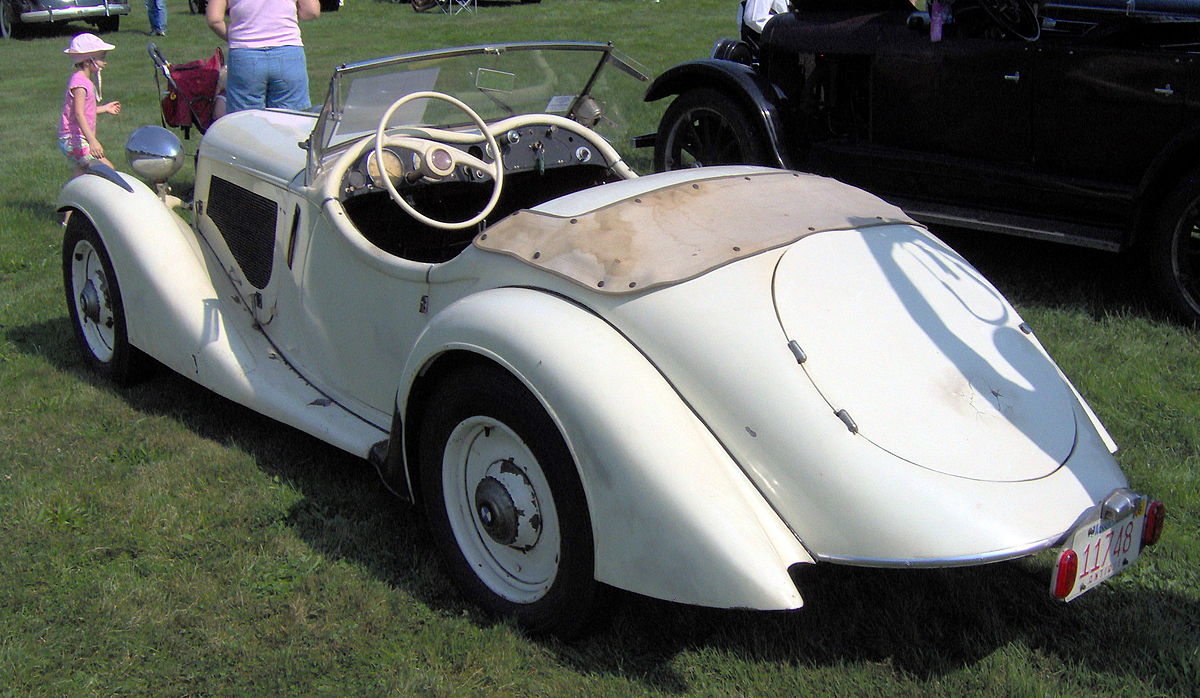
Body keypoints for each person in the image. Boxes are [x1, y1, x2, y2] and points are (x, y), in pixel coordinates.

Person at [205, 0, 321, 114]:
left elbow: (214, 19)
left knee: (246, 122)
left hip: (245, 55)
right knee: (289, 121)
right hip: (288, 52)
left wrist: (236, 38)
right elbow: (311, 11)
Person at [58, 33, 122, 178]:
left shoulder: (83, 81)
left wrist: (104, 108)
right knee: (107, 170)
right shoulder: (80, 84)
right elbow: (79, 114)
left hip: (72, 138)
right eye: (102, 58)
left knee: (81, 176)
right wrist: (92, 141)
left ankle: (71, 198)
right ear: (88, 61)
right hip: (73, 139)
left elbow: (85, 111)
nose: (105, 62)